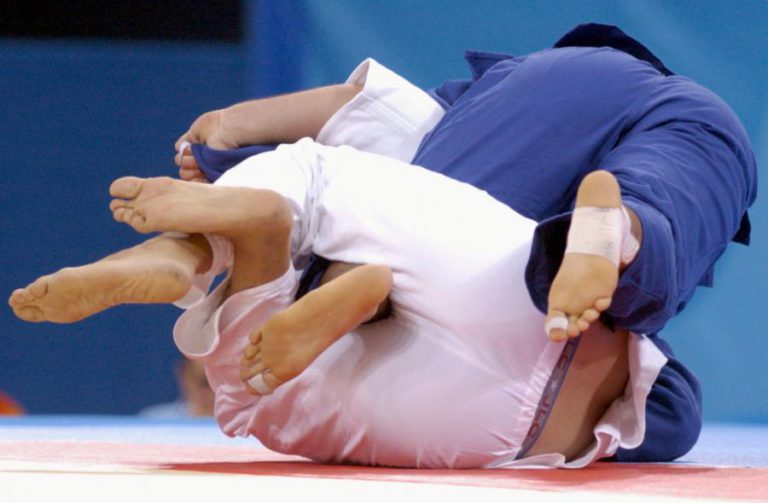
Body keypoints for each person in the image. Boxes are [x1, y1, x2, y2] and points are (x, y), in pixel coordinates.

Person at [173, 24, 757, 461]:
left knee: (421, 221)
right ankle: (621, 230)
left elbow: (355, 110)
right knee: (662, 210)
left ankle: (359, 286)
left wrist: (227, 132)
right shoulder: (689, 111)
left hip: (530, 111)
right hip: (699, 133)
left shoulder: (502, 82)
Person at [9, 134, 666, 468]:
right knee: (249, 391)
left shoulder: (447, 127)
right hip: (525, 366)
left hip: (491, 346)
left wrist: (241, 132)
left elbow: (350, 106)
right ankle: (611, 235)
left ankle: (198, 251)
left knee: (315, 173)